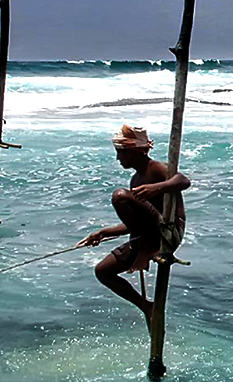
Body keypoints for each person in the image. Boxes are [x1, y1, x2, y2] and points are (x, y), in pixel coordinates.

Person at [76, 125, 191, 322]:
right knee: (103, 271)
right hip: (150, 235)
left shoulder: (155, 168)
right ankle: (147, 307)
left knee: (120, 196)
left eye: (120, 153)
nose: (118, 159)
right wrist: (104, 232)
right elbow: (137, 224)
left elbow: (183, 181)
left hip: (169, 232)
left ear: (134, 151)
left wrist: (157, 188)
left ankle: (146, 249)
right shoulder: (135, 179)